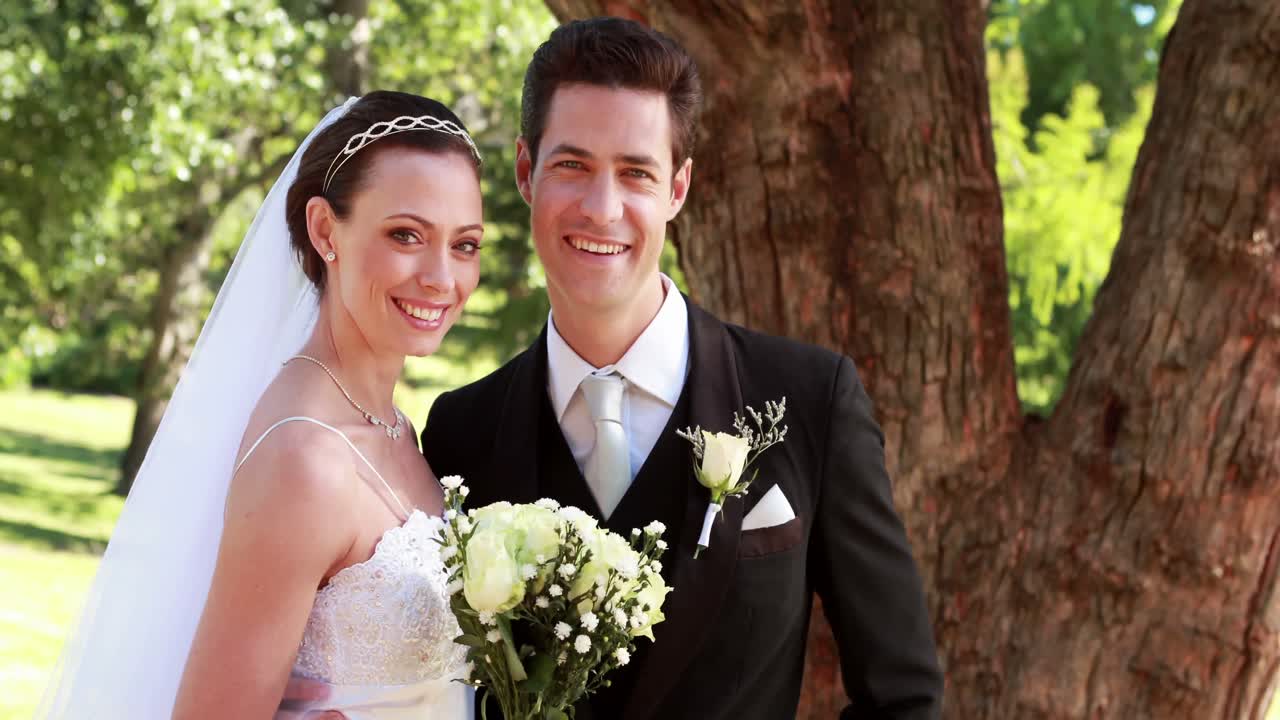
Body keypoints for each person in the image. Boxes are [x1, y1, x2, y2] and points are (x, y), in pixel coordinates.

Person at [421, 17, 944, 720]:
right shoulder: (461, 431)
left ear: (677, 189)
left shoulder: (810, 398)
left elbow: (902, 699)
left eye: (636, 173)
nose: (603, 209)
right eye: (573, 165)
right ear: (525, 172)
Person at [38, 91, 483, 720]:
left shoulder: (396, 427)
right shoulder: (306, 456)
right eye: (406, 235)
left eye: (465, 244)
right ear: (326, 229)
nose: (442, 277)